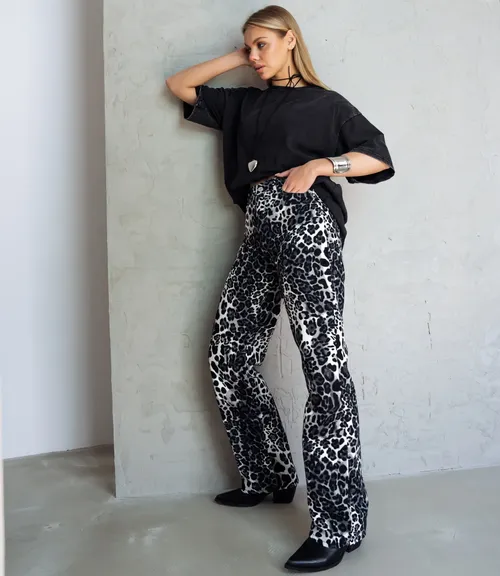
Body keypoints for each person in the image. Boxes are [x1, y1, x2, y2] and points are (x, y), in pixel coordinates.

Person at [166, 4, 394, 572]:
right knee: (229, 356)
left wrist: (321, 166)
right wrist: (238, 57)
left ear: (291, 39)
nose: (255, 55)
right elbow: (179, 85)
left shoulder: (326, 104)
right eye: (249, 46)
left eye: (263, 44)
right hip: (259, 228)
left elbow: (376, 156)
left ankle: (338, 524)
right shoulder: (243, 102)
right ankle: (269, 474)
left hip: (307, 225)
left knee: (324, 370)